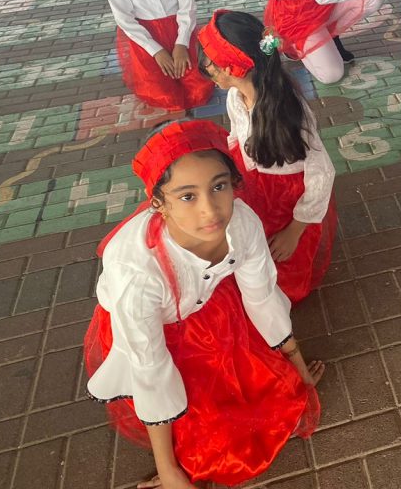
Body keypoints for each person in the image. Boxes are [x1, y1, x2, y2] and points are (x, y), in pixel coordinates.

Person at [83, 119, 323, 489]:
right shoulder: (138, 274)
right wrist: (168, 470)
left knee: (266, 395)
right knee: (203, 438)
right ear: (159, 203)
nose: (211, 210)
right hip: (150, 329)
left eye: (219, 186)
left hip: (208, 306)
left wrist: (299, 369)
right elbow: (150, 366)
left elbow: (261, 295)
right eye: (187, 196)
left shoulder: (242, 222)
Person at [198, 10, 337, 303]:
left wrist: (295, 230)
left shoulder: (288, 114)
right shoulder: (235, 95)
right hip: (251, 185)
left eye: (213, 62)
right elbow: (236, 134)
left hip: (286, 201)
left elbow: (323, 172)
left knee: (280, 274)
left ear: (237, 68)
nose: (207, 67)